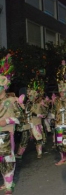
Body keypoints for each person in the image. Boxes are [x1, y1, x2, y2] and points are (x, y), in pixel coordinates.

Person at [0, 54, 20, 195]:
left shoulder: (12, 100)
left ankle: (9, 185)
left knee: (8, 159)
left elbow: (22, 117)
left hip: (7, 134)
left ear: (4, 86)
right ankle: (5, 181)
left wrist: (6, 121)